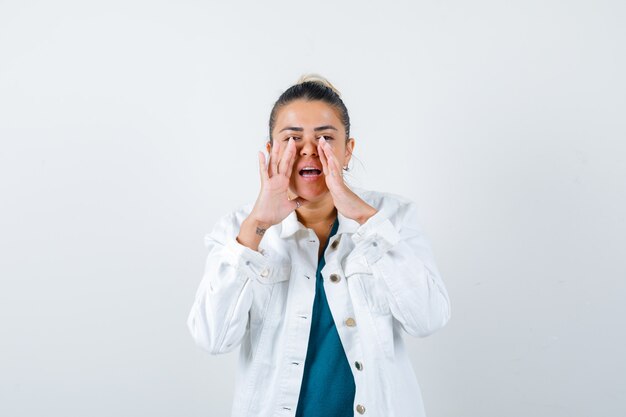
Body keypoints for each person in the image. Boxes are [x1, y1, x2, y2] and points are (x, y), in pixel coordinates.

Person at [187, 74, 451, 417]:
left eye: (325, 137)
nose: (309, 149)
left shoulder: (393, 217)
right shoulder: (238, 230)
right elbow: (213, 338)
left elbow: (428, 319)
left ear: (348, 151)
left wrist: (365, 219)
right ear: (270, 152)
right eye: (292, 138)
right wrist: (257, 226)